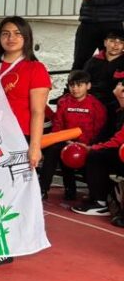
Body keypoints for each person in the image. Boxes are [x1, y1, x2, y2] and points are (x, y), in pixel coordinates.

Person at [0, 16, 50, 261]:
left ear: (26, 37)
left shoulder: (35, 69)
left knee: (11, 193)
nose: (11, 38)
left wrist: (34, 146)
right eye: (5, 33)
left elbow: (38, 112)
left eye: (17, 33)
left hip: (19, 139)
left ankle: (5, 247)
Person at [41, 70, 105, 202]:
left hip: (86, 144)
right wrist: (66, 141)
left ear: (88, 86)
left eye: (79, 85)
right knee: (53, 150)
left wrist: (84, 144)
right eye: (72, 85)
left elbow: (98, 130)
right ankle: (42, 189)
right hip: (65, 141)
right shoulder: (63, 102)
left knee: (85, 156)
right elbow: (57, 125)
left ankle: (86, 192)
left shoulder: (97, 105)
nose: (75, 89)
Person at [72, 81, 124, 217]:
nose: (118, 86)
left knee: (96, 156)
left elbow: (118, 140)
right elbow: (107, 135)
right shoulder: (117, 110)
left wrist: (91, 148)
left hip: (121, 153)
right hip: (119, 151)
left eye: (121, 85)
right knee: (95, 154)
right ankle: (96, 196)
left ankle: (101, 203)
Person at [82, 31, 124, 115]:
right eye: (112, 41)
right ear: (105, 42)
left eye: (121, 42)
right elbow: (82, 80)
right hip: (91, 101)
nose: (116, 45)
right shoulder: (93, 61)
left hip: (115, 104)